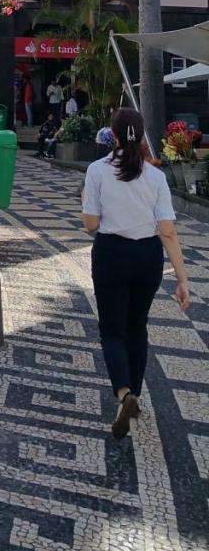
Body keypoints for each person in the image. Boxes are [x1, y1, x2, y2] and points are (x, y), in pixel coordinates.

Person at [82, 107, 190, 439]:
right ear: (142, 136)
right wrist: (182, 279)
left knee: (112, 331)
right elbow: (168, 231)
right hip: (147, 258)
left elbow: (91, 225)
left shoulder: (98, 170)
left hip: (111, 253)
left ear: (112, 135)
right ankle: (133, 398)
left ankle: (123, 394)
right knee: (137, 327)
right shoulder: (156, 177)